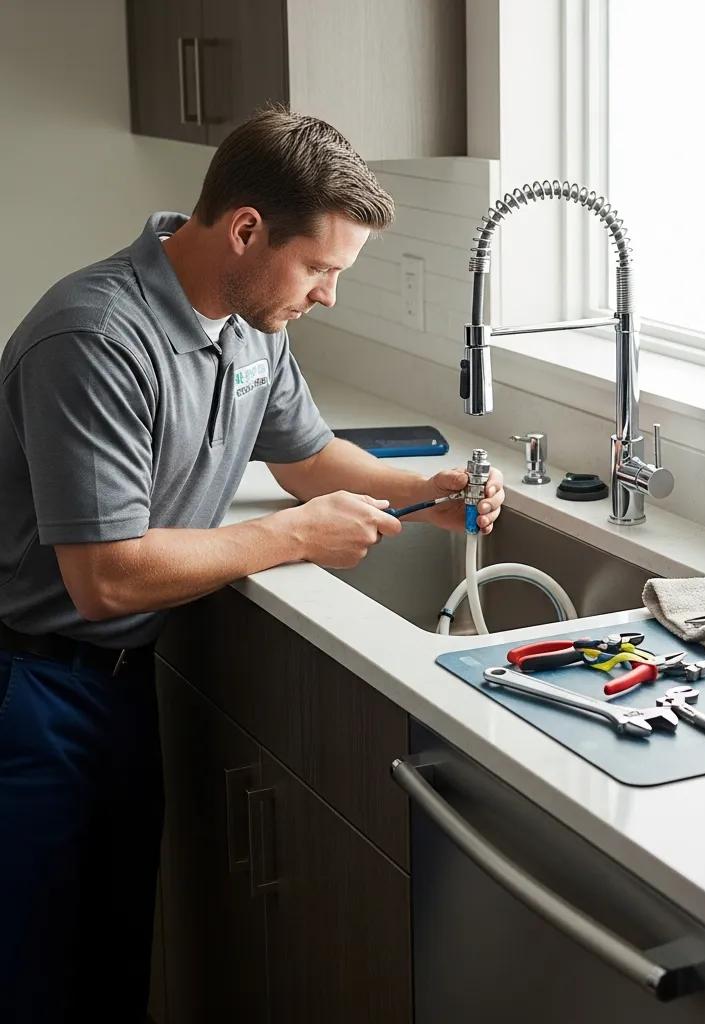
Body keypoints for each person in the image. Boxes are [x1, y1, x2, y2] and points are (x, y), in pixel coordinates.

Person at [0, 105, 504, 1022]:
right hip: (30, 689)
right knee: (30, 973)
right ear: (245, 229)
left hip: (117, 681)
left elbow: (305, 457)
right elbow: (104, 577)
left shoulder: (249, 324)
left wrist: (425, 489)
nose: (327, 295)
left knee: (111, 956)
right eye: (319, 267)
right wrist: (294, 536)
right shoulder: (97, 340)